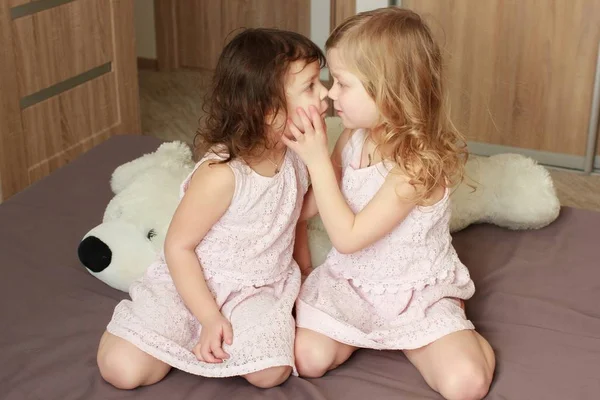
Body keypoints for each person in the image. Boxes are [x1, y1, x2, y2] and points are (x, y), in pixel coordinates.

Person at [97, 28, 329, 389]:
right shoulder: (222, 174)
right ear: (267, 111)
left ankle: (200, 343)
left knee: (270, 373)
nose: (325, 92)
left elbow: (294, 216)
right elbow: (179, 247)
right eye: (312, 86)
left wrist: (304, 270)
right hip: (194, 282)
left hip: (257, 289)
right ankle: (156, 335)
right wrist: (208, 317)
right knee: (121, 369)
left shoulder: (299, 152)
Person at [284, 8, 495, 400]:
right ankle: (370, 332)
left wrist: (316, 160)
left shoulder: (416, 164)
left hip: (415, 292)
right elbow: (315, 204)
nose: (330, 94)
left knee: (466, 384)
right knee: (307, 358)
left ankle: (444, 330)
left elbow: (347, 237)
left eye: (342, 84)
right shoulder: (354, 136)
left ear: (390, 91)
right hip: (354, 282)